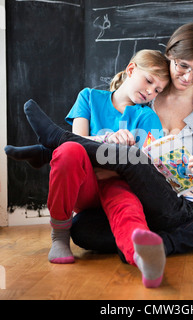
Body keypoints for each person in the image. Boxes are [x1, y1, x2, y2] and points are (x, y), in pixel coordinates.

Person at [6, 23, 193, 268]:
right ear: (169, 56)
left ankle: (166, 243)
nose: (187, 77)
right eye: (182, 66)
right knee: (82, 231)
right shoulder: (137, 96)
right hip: (126, 196)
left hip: (175, 201)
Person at [6, 49, 170, 288]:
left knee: (126, 205)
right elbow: (78, 141)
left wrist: (111, 167)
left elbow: (145, 167)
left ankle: (143, 256)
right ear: (131, 69)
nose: (150, 92)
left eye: (157, 90)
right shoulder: (89, 97)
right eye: (148, 81)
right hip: (84, 183)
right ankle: (59, 236)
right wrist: (110, 142)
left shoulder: (148, 117)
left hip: (118, 182)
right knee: (68, 150)